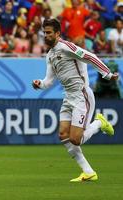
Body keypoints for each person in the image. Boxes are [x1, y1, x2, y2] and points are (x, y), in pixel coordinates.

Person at [32, 19, 119, 182]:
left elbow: (90, 56)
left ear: (57, 34)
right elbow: (49, 81)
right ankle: (88, 172)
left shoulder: (66, 47)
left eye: (49, 32)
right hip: (68, 97)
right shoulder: (50, 55)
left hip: (81, 95)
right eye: (44, 32)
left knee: (75, 139)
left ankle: (99, 123)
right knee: (63, 134)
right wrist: (40, 84)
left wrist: (107, 74)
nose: (46, 35)